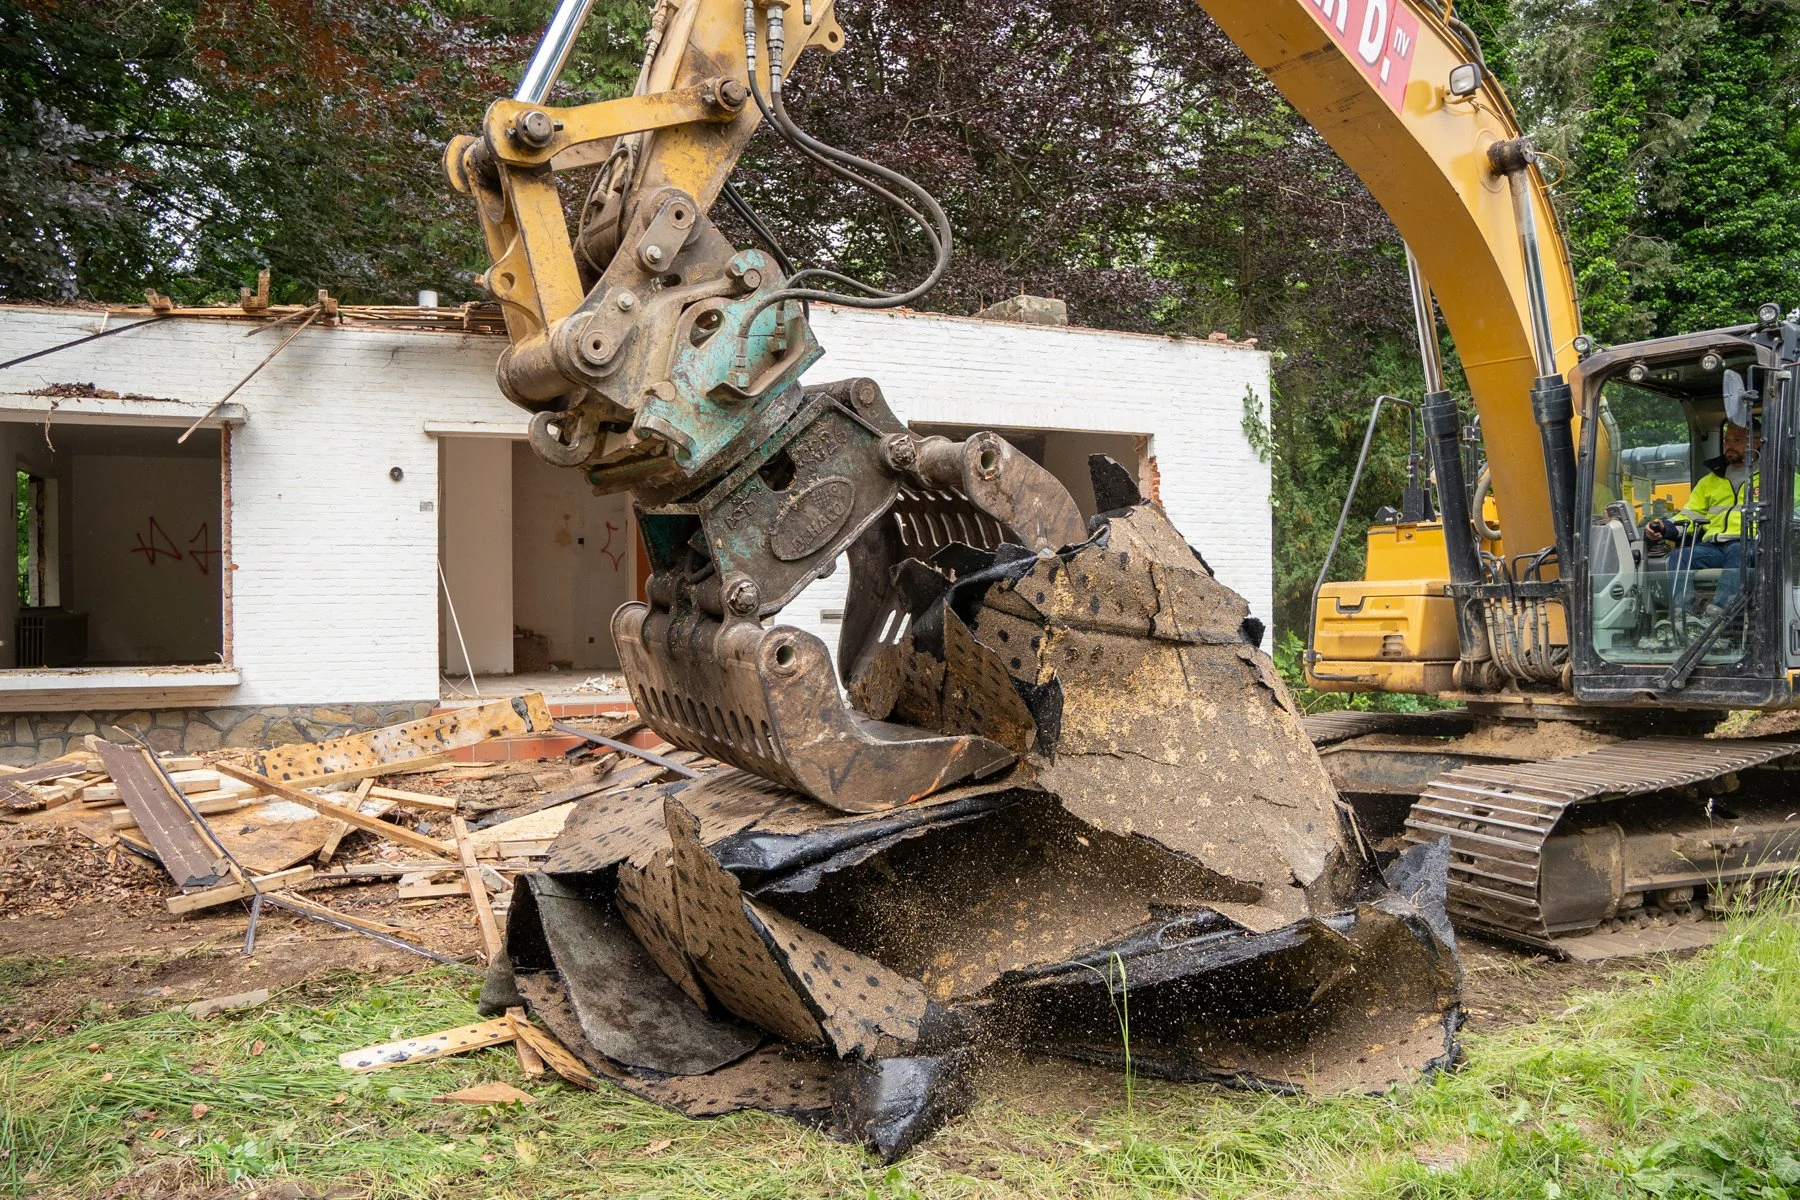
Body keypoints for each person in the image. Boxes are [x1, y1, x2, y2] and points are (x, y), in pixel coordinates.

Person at [1646, 422, 1759, 623]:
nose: (1729, 445)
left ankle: (1718, 614)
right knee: (1679, 556)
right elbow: (1690, 514)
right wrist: (1665, 527)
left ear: (1757, 442)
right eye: (1727, 440)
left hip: (1751, 545)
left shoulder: (1775, 477)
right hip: (1714, 547)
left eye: (1737, 440)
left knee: (1737, 550)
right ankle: (1681, 616)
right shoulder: (1710, 480)